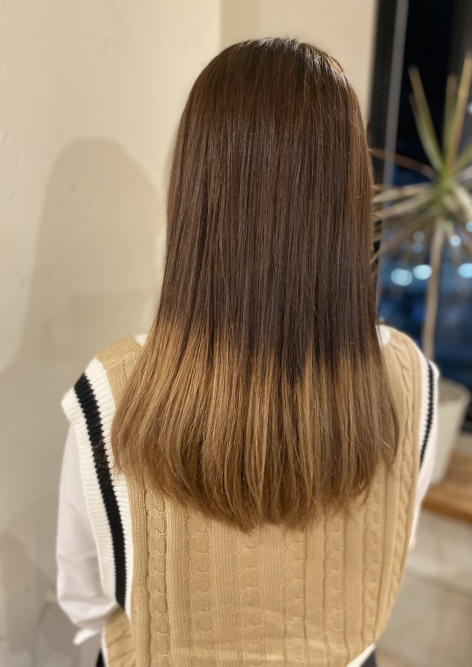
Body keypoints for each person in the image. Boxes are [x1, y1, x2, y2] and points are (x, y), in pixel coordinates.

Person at [57, 38, 438, 667]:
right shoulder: (412, 378)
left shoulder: (113, 390)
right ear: (350, 193)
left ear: (195, 191)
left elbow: (85, 597)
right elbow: (396, 542)